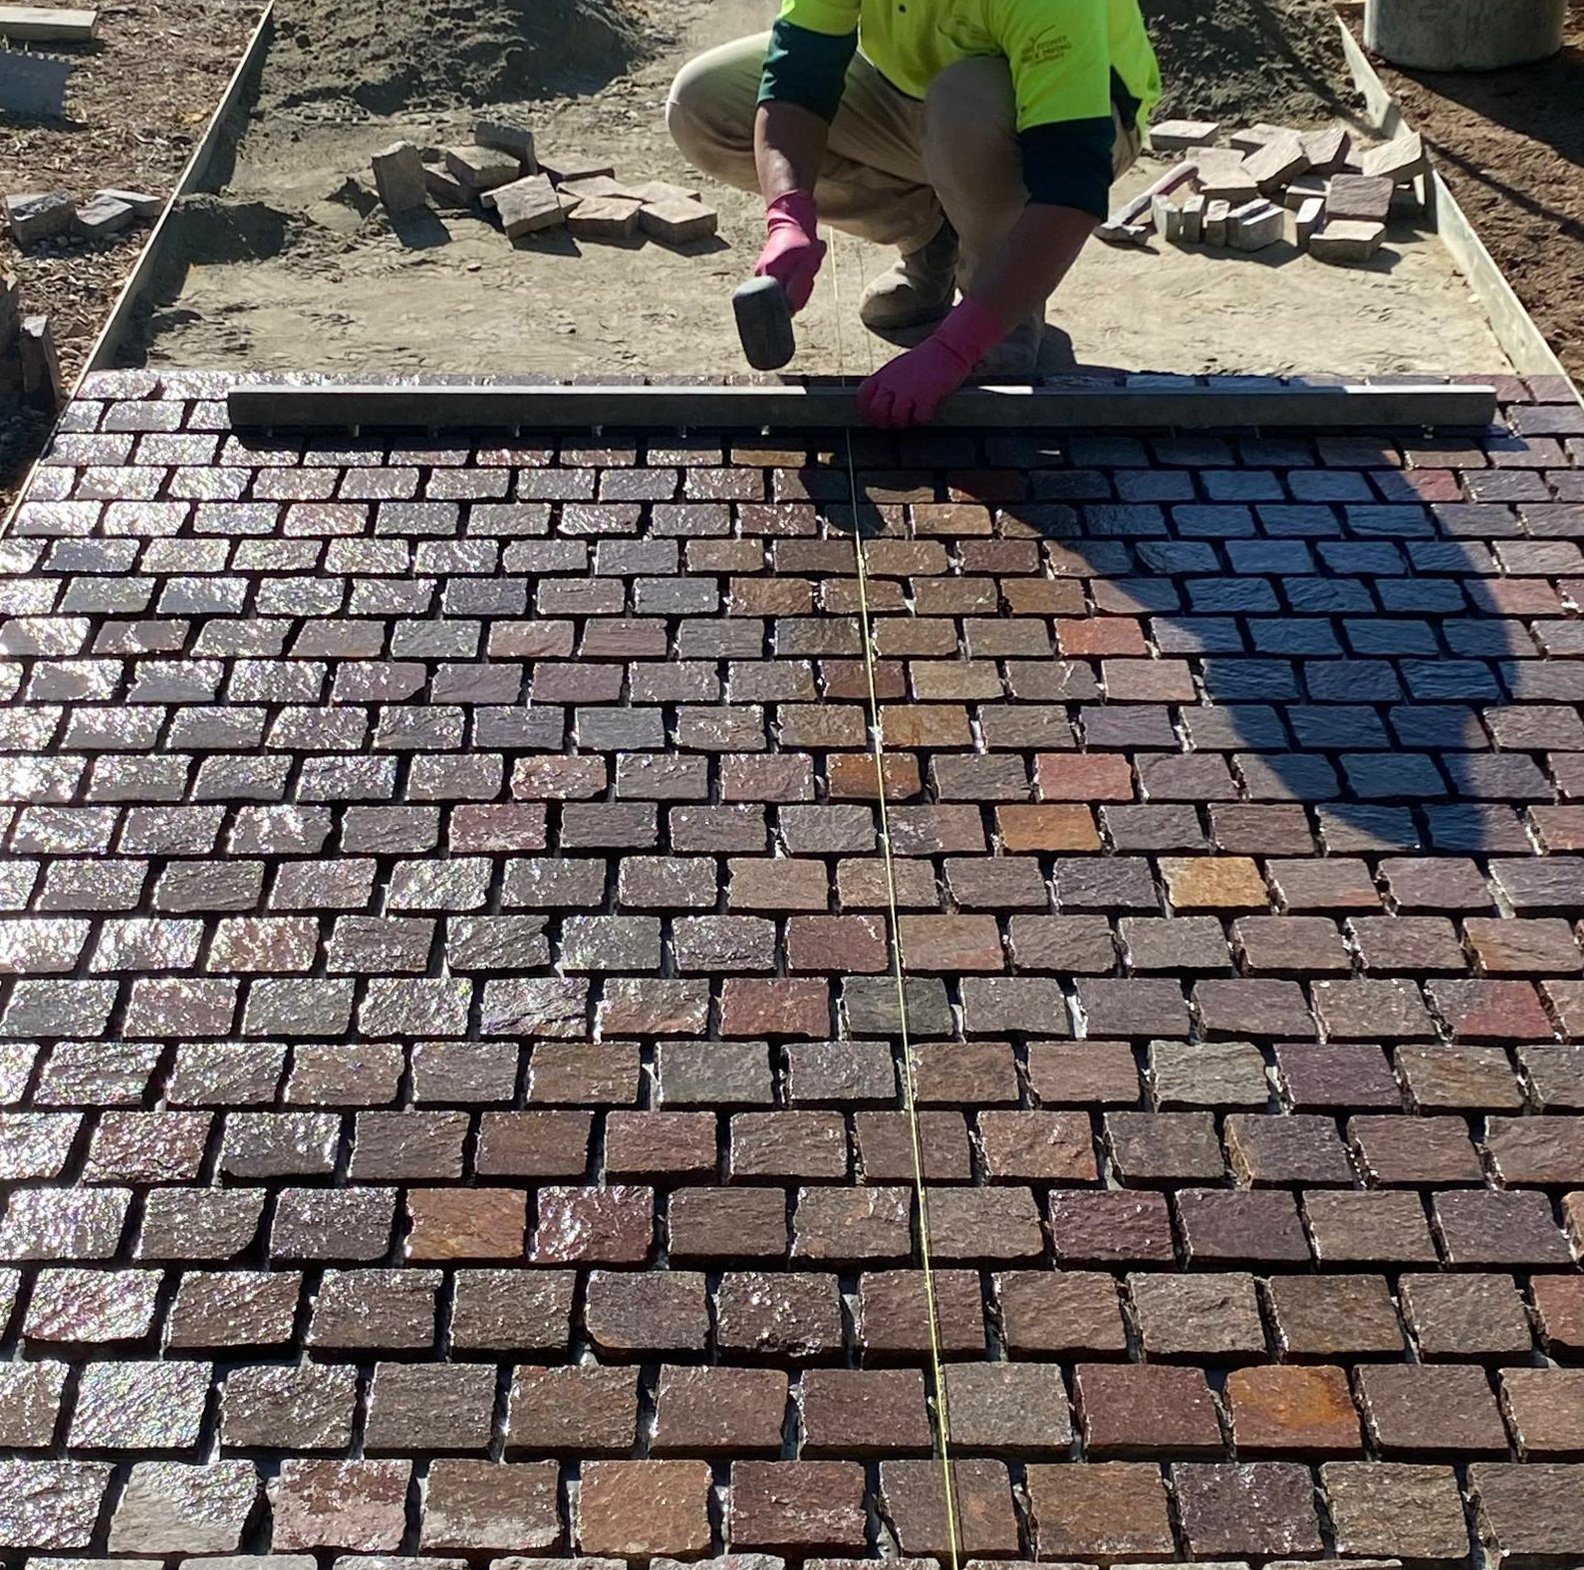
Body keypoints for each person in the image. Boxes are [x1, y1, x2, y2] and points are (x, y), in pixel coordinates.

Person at [667, 0, 1162, 427]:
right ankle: (932, 234)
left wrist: (955, 348)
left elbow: (1071, 190)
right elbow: (798, 78)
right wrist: (788, 215)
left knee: (967, 101)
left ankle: (1000, 318)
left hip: (1080, 121)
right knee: (702, 99)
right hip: (915, 95)